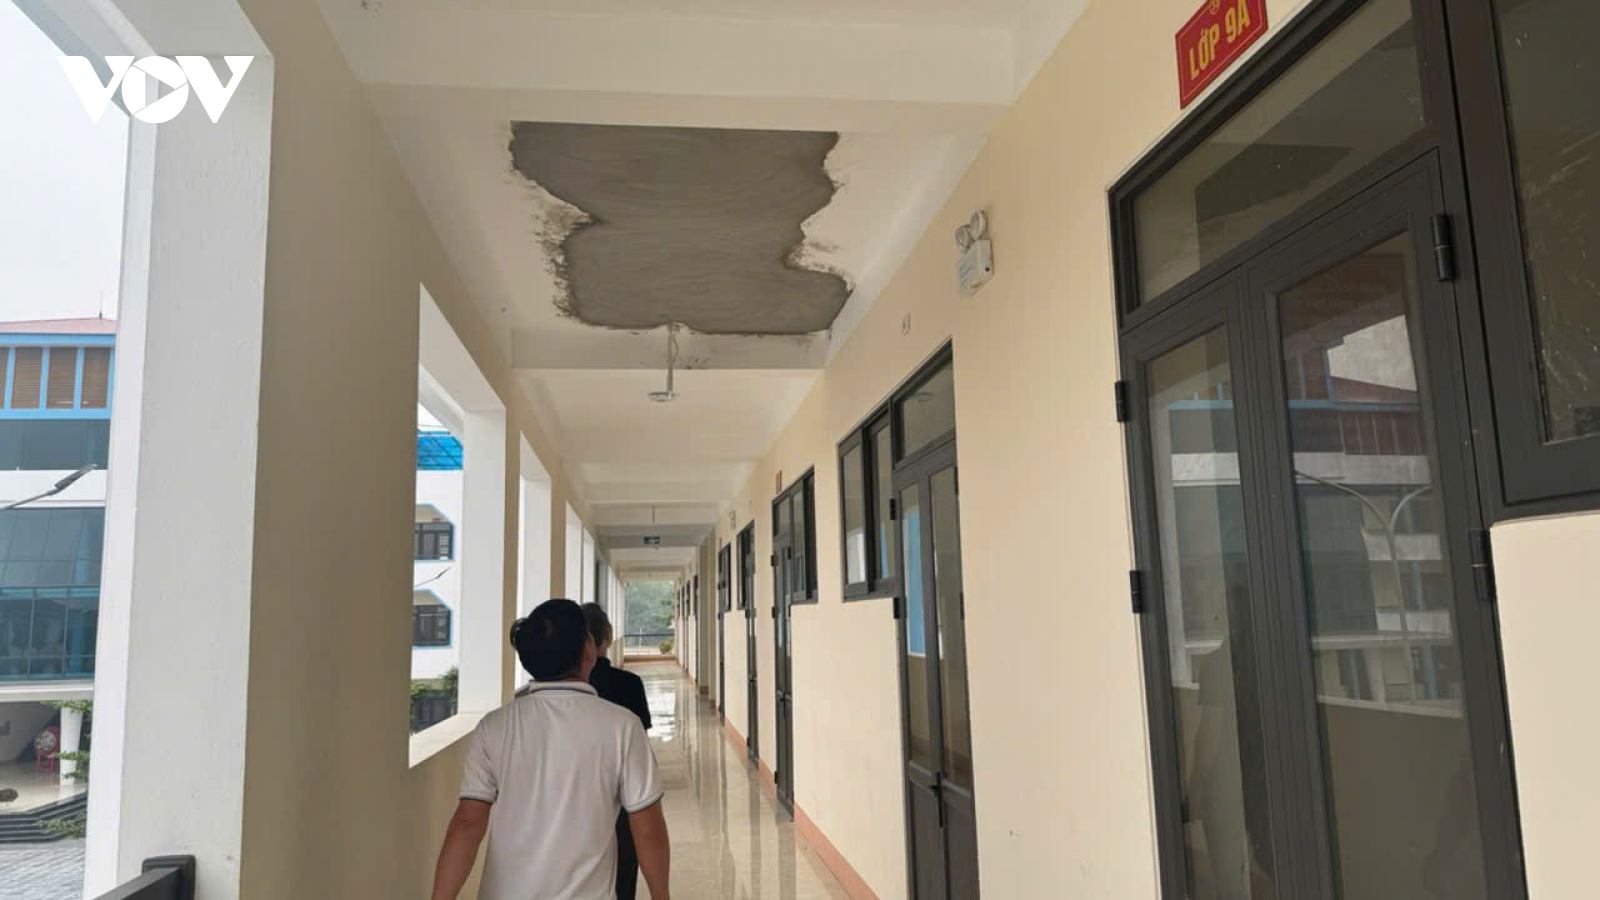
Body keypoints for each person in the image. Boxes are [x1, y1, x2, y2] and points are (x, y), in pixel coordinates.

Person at [430, 598, 671, 900]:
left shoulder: (494, 726)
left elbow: (467, 823)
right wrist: (661, 895)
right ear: (589, 650)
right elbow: (647, 827)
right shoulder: (622, 726)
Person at [581, 602, 651, 900]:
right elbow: (641, 747)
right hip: (622, 799)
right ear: (608, 635)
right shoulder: (629, 684)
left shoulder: (564, 695)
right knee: (622, 874)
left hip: (576, 800)